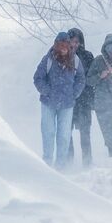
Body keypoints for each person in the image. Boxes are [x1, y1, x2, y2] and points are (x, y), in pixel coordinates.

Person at [33, 31, 85, 169]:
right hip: (48, 103)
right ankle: (47, 163)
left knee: (64, 135)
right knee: (48, 132)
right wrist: (47, 91)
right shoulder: (48, 59)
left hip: (67, 104)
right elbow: (38, 78)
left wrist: (74, 93)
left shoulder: (75, 60)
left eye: (65, 45)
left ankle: (61, 166)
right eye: (60, 45)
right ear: (56, 45)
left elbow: (81, 79)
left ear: (69, 46)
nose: (63, 48)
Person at [65, 27, 95, 167]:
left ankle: (87, 164)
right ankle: (68, 163)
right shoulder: (61, 55)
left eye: (77, 42)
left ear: (81, 42)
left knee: (85, 134)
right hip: (68, 101)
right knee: (67, 134)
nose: (74, 44)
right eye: (72, 41)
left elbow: (91, 77)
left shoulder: (88, 56)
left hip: (84, 100)